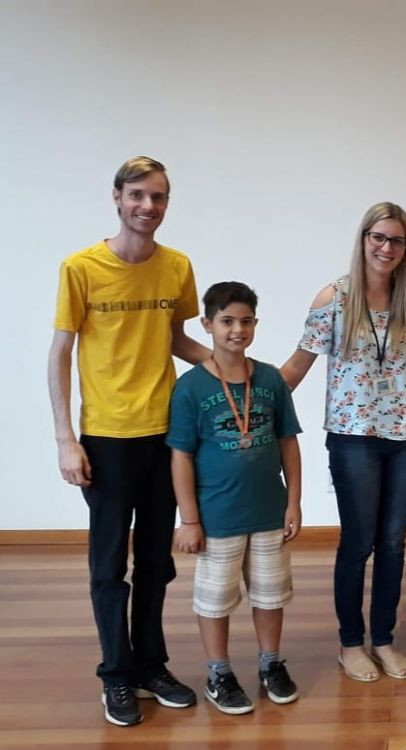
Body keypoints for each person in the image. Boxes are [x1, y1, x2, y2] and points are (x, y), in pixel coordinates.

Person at [47, 156, 206, 726]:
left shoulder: (177, 266)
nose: (148, 207)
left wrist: (226, 362)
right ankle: (116, 675)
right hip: (107, 437)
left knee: (157, 563)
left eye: (158, 197)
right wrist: (67, 438)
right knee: (109, 563)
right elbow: (60, 353)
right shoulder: (81, 267)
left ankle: (150, 666)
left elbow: (177, 340)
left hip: (165, 437)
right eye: (137, 195)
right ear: (117, 198)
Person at [282, 202, 406, 682]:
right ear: (363, 238)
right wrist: (248, 403)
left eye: (397, 240)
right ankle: (351, 643)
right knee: (358, 542)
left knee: (393, 542)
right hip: (353, 440)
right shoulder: (334, 298)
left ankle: (383, 639)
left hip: (404, 437)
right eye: (379, 237)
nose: (387, 248)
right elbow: (297, 366)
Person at [168, 282, 303, 714]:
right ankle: (218, 671)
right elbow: (181, 457)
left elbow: (288, 443)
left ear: (256, 326)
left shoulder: (269, 380)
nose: (237, 329)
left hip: (268, 512)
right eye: (227, 321)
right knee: (216, 599)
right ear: (207, 325)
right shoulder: (190, 388)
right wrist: (189, 520)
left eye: (246, 321)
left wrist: (294, 503)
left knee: (270, 594)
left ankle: (270, 663)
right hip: (217, 517)